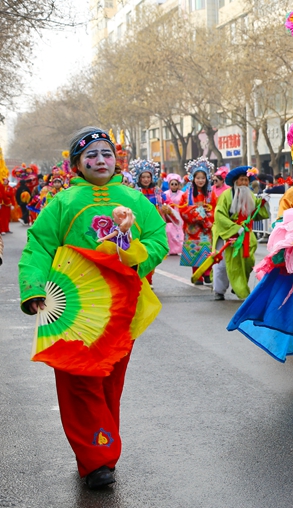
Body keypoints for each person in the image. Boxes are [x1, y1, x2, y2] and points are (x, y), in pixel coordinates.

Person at [18, 126, 167, 489]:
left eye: (107, 154)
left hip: (120, 309)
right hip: (72, 310)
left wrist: (130, 253)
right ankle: (97, 460)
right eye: (91, 155)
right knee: (78, 382)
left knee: (109, 382)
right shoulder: (63, 203)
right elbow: (39, 245)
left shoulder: (134, 200)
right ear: (77, 164)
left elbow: (157, 239)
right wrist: (34, 287)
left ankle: (100, 451)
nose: (101, 160)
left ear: (117, 160)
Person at [211, 165, 270, 300]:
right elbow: (219, 216)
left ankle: (238, 285)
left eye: (246, 180)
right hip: (227, 233)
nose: (244, 183)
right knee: (223, 265)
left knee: (248, 262)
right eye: (241, 180)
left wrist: (263, 202)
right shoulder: (226, 196)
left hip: (246, 235)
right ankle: (220, 291)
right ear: (235, 181)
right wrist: (235, 228)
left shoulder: (250, 195)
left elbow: (256, 213)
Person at [180, 158, 217, 285]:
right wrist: (196, 215)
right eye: (198, 178)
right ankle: (197, 275)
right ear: (193, 178)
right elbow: (183, 209)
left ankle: (207, 273)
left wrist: (206, 218)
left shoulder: (211, 194)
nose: (200, 180)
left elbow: (215, 208)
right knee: (194, 251)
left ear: (207, 179)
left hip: (206, 227)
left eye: (203, 178)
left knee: (207, 250)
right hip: (193, 228)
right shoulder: (187, 194)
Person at [163, 174, 185, 256]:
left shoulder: (182, 194)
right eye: (172, 184)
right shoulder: (165, 194)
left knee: (179, 232)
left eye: (176, 184)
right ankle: (170, 249)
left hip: (179, 215)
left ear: (178, 185)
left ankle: (179, 248)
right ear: (169, 185)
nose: (174, 186)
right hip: (169, 216)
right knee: (169, 232)